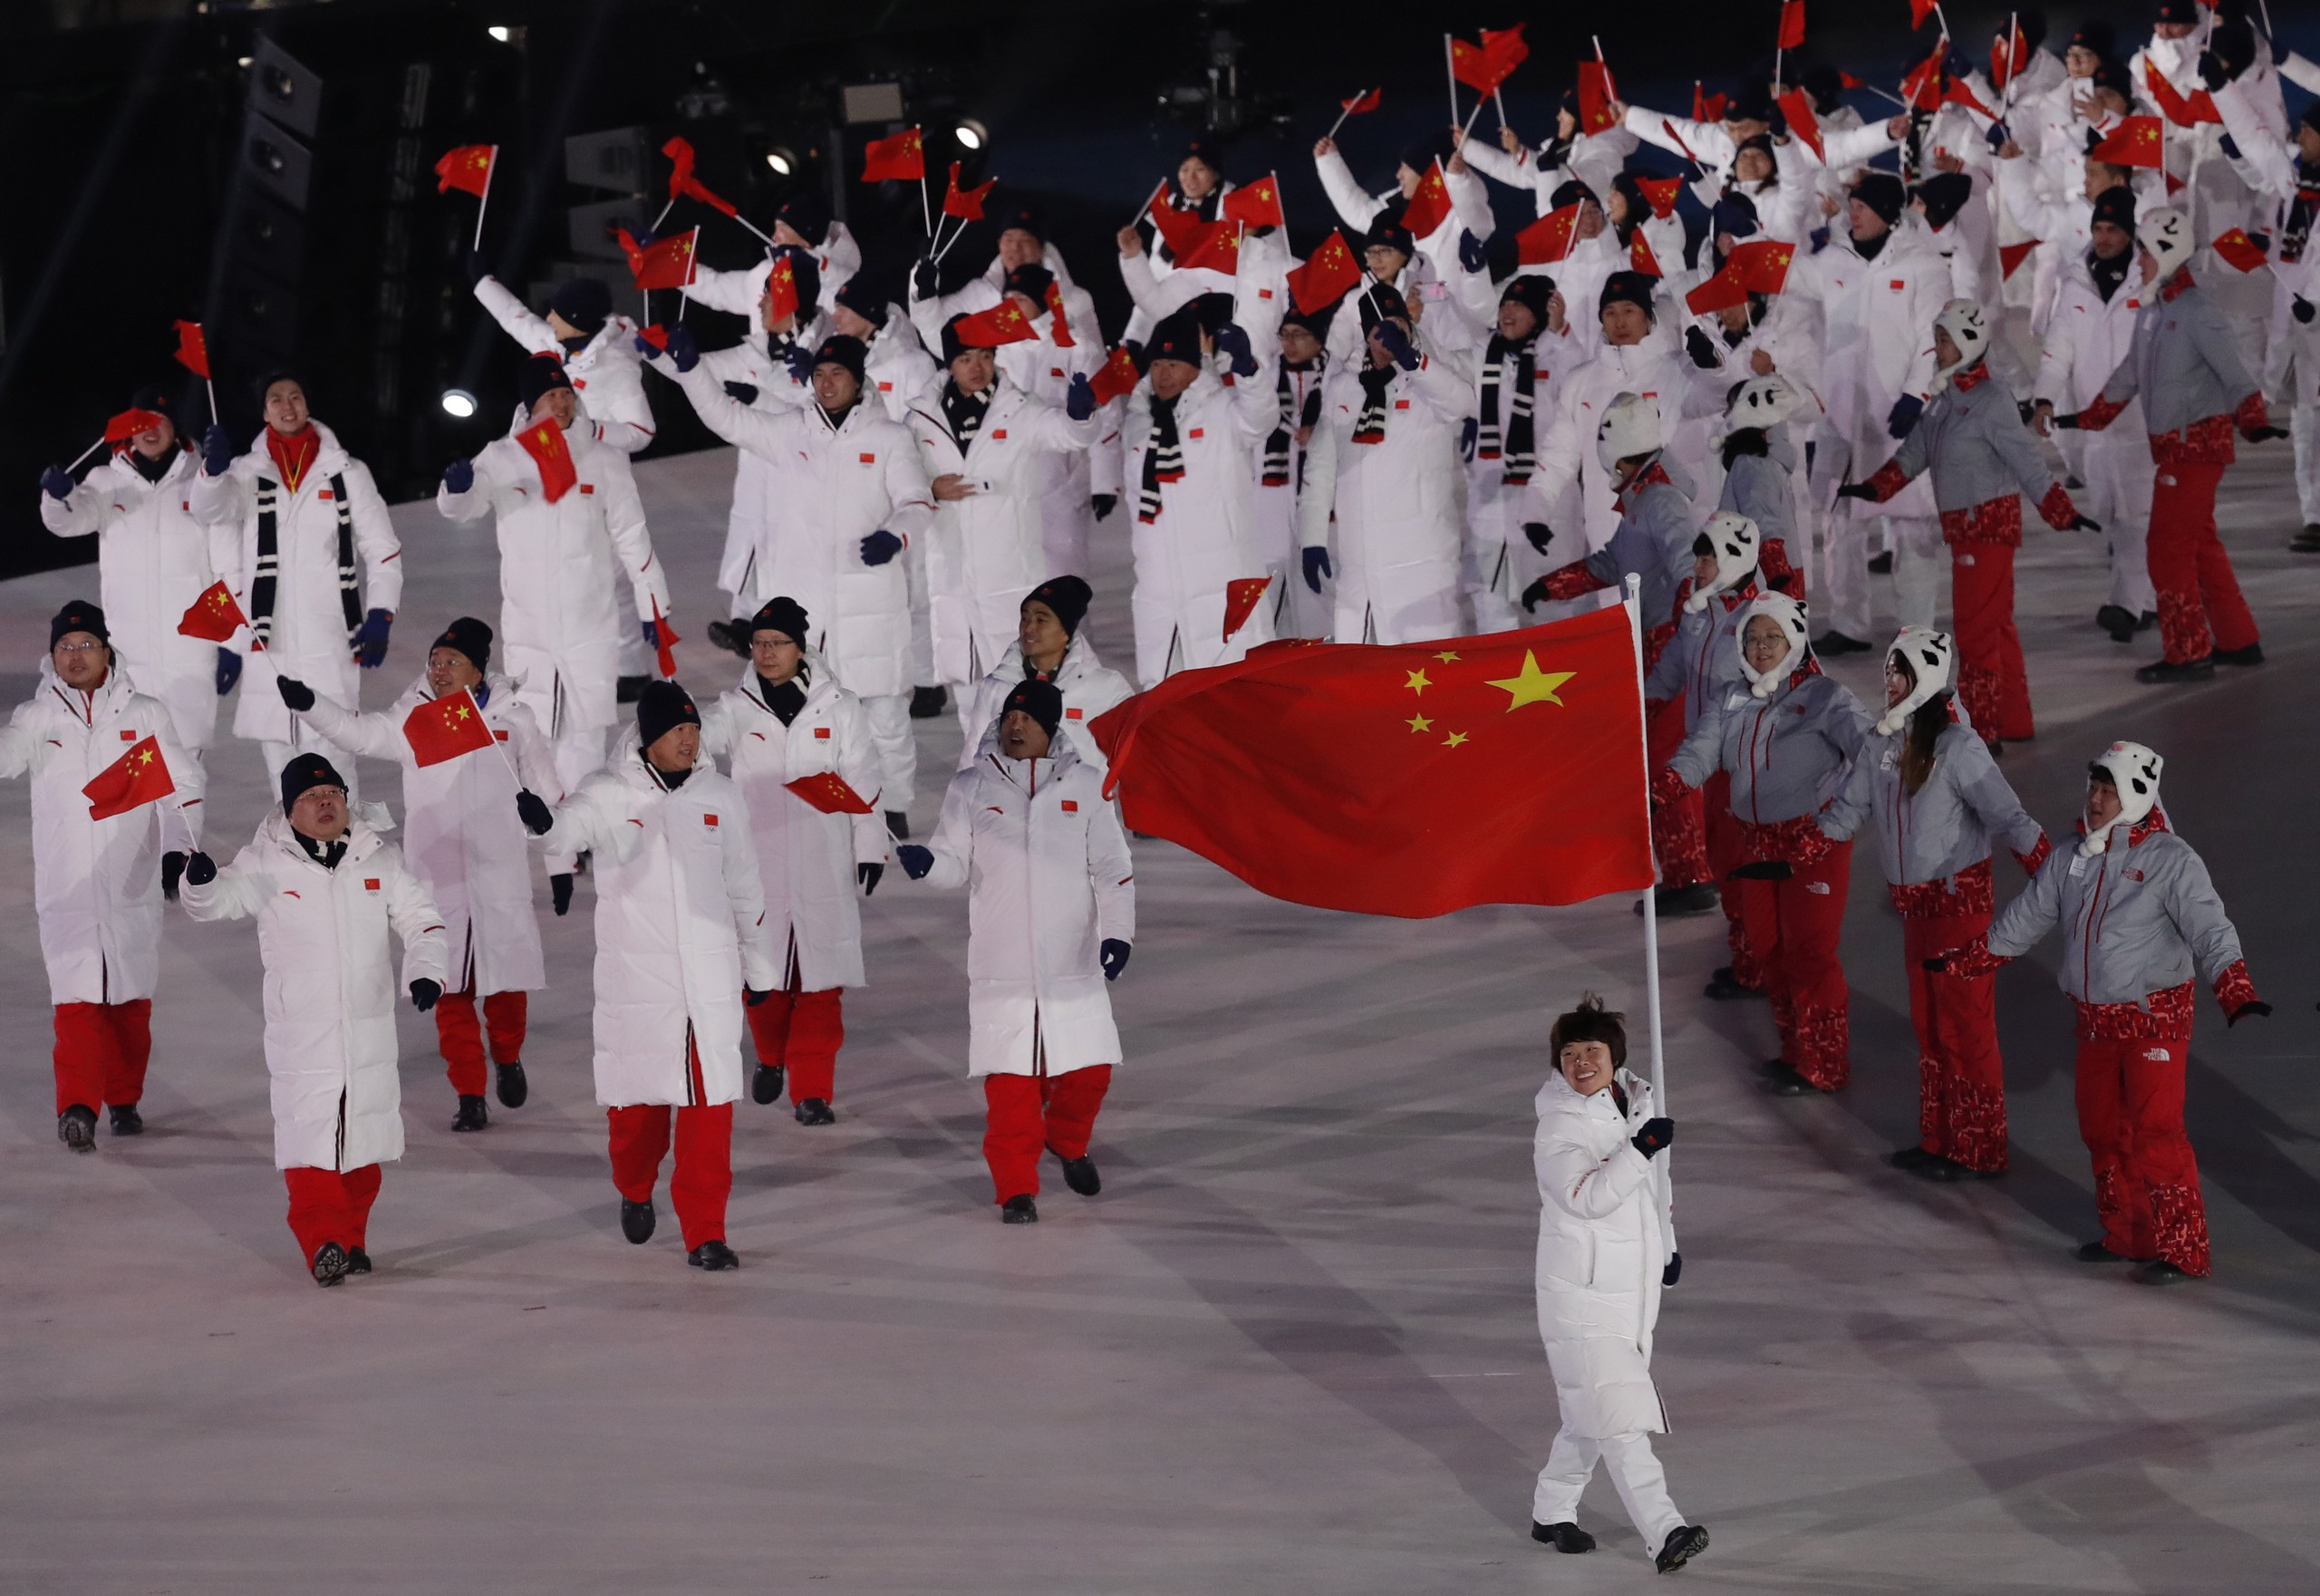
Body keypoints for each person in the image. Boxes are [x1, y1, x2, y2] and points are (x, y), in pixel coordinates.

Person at [1929, 742, 2269, 1282]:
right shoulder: (2072, 856)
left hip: (2154, 1018)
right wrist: (1970, 960)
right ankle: (2130, 1236)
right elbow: (2026, 917)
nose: (2096, 798)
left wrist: (2234, 985)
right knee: (2103, 1129)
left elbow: (2211, 929)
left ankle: (2183, 1250)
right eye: (2093, 787)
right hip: (2096, 1021)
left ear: (2136, 795)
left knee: (2156, 1130)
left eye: (2110, 790)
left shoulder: (2169, 859)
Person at [521, 682, 779, 1271]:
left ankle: (706, 1231)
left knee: (709, 1117)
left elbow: (746, 887)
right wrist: (543, 825)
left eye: (693, 728)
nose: (690, 738)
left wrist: (759, 968)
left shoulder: (720, 795)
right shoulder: (610, 793)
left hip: (708, 985)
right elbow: (568, 828)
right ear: (649, 737)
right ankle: (634, 1186)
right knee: (637, 1119)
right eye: (677, 730)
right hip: (638, 986)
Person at [273, 617, 559, 1133]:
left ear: (479, 669)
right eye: (435, 660)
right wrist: (310, 704)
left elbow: (549, 793)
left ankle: (508, 1056)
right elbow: (359, 733)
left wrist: (552, 843)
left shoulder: (515, 720)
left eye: (452, 662)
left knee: (505, 992)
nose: (439, 669)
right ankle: (470, 1094)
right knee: (450, 995)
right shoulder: (415, 718)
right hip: (439, 880)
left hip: (499, 880)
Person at [649, 328, 936, 838]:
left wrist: (895, 536)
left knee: (886, 714)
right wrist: (693, 374)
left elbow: (916, 500)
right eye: (820, 374)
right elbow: (725, 416)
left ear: (858, 380)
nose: (827, 384)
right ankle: (808, 803)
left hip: (868, 601)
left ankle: (892, 806)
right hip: (802, 611)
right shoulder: (789, 431)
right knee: (799, 716)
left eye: (838, 375)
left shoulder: (889, 438)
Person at [180, 753, 447, 1286]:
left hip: (367, 1033)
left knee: (362, 1150)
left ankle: (351, 1239)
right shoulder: (266, 862)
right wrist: (199, 883)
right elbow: (216, 902)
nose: (324, 804)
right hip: (302, 1036)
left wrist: (426, 972)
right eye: (310, 798)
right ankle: (324, 1242)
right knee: (310, 1148)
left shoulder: (378, 858)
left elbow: (424, 920)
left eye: (333, 795)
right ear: (288, 809)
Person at [895, 679, 1135, 1224]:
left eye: (1027, 719)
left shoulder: (1089, 788)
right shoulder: (971, 787)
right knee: (1011, 1090)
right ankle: (1016, 1189)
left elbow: (1115, 872)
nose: (1015, 726)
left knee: (1087, 1075)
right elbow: (953, 861)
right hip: (1002, 968)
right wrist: (929, 865)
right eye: (1009, 717)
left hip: (1072, 963)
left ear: (1051, 728)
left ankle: (1068, 1143)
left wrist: (1117, 934)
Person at [1826, 630, 2049, 1179]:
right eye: (1887, 672)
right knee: (1930, 1026)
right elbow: (1849, 807)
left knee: (1964, 1028)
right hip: (1917, 910)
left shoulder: (1957, 747)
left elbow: (2009, 818)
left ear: (1926, 678)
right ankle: (1941, 1140)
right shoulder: (1884, 743)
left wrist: (2056, 874)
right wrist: (1802, 848)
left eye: (1900, 674)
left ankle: (1979, 1147)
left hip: (1957, 908)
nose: (1889, 683)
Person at [1841, 300, 2095, 750]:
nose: (1936, 349)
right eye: (1937, 339)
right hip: (1968, 528)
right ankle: (2013, 719)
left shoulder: (1990, 400)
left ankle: (1980, 732)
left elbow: (2028, 462)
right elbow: (1913, 455)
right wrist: (1874, 488)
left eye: (1945, 340)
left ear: (1968, 343)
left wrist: (2061, 511)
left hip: (1986, 528)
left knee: (1976, 631)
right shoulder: (1944, 400)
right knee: (1997, 627)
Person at [0, 601, 205, 1150]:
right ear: (52, 658)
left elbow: (182, 787)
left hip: (128, 887)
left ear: (107, 651)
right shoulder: (37, 719)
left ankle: (124, 1099)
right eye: (64, 648)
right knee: (76, 1005)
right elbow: (6, 755)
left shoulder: (146, 716)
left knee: (129, 1010)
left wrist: (179, 851)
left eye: (85, 644)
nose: (75, 656)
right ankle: (77, 1108)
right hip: (67, 892)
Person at [1654, 595, 1873, 1095]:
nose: (1760, 648)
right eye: (1751, 638)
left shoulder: (1825, 697)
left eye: (1771, 638)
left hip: (1813, 843)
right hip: (1755, 845)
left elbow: (1872, 756)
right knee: (1770, 949)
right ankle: (1795, 1052)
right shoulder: (1731, 698)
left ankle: (1824, 1063)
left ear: (1794, 641)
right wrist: (1661, 791)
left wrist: (1838, 820)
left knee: (1810, 952)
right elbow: (1699, 751)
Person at [2054, 206, 2285, 682]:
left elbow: (2235, 373)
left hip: (2196, 446)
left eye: (2146, 253)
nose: (2139, 262)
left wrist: (2254, 419)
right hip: (2173, 447)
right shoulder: (2154, 310)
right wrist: (2086, 416)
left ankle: (2188, 652)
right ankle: (2239, 640)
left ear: (2168, 251)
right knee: (2199, 545)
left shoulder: (2198, 310)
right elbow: (2128, 375)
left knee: (2166, 549)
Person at [1528, 996, 1707, 1575]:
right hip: (1581, 1299)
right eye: (1570, 1054)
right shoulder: (1559, 1127)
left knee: (1590, 1413)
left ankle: (1552, 1510)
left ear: (1614, 1057)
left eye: (1593, 1051)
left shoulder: (1635, 1107)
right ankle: (1666, 1532)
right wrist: (1641, 1149)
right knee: (1621, 1421)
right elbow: (1586, 1198)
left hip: (1629, 1295)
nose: (1581, 1063)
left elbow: (1655, 1195)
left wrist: (1667, 1251)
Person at [439, 354, 670, 797]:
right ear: (530, 405)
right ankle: (554, 835)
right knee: (536, 732)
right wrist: (457, 489)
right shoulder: (505, 456)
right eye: (550, 396)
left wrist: (653, 605)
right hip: (530, 626)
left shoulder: (604, 460)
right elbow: (465, 509)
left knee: (586, 734)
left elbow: (632, 535)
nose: (561, 404)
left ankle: (581, 829)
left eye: (566, 394)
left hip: (589, 624)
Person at [698, 599, 888, 1126]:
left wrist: (870, 846)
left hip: (822, 867)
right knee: (763, 981)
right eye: (759, 644)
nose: (767, 654)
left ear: (801, 649)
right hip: (757, 868)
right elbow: (697, 743)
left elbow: (864, 779)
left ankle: (812, 1092)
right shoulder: (735, 707)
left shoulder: (840, 708)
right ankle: (769, 1057)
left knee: (821, 986)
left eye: (778, 644)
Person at [1526, 393, 1716, 915]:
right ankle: (1689, 871)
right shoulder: (1643, 502)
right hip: (1658, 643)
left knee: (1663, 764)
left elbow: (1689, 572)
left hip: (1670, 647)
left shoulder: (1659, 502)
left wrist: (1680, 644)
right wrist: (1551, 585)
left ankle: (1691, 876)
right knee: (1660, 761)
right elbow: (1614, 563)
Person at [188, 372, 401, 787]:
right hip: (271, 649)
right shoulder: (246, 472)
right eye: (276, 399)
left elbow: (383, 548)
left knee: (337, 768)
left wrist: (381, 614)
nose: (288, 407)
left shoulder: (346, 471)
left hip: (330, 641)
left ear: (307, 403)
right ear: (264, 411)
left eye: (295, 397)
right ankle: (290, 853)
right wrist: (211, 474)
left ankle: (350, 851)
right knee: (283, 774)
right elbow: (210, 511)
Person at [902, 315, 1099, 726]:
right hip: (952, 579)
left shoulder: (1019, 409)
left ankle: (1025, 779)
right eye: (967, 358)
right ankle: (979, 781)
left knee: (1020, 692)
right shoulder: (920, 420)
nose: (978, 367)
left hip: (1008, 577)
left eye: (987, 356)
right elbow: (899, 481)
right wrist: (930, 489)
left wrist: (1081, 417)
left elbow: (1066, 434)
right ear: (949, 364)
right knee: (968, 693)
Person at [1790, 173, 1956, 653]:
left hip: (1897, 418)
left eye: (1861, 206)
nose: (1852, 214)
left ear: (1888, 212)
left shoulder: (1922, 264)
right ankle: (1848, 623)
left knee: (1911, 526)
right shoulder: (1831, 259)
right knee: (1841, 522)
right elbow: (1783, 277)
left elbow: (1934, 333)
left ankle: (1916, 629)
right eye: (1850, 206)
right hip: (1842, 418)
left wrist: (1916, 395)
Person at [39, 389, 240, 756]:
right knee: (130, 763)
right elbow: (70, 520)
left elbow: (230, 568)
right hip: (128, 650)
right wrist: (57, 498)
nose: (150, 429)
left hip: (190, 651)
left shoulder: (203, 482)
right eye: (141, 422)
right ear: (129, 431)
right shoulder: (106, 481)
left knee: (184, 764)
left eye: (159, 421)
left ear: (175, 428)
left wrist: (233, 642)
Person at [1298, 283, 1470, 645]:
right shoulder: (1344, 387)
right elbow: (1320, 468)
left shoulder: (1433, 374)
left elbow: (1464, 405)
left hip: (1423, 563)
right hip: (1359, 569)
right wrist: (1312, 540)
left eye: (1400, 324)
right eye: (1382, 328)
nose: (1393, 334)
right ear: (1366, 334)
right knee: (1361, 682)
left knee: (1428, 682)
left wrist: (1415, 363)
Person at [1647, 514, 1774, 1000]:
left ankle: (1760, 968)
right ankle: (1748, 964)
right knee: (1726, 865)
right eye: (1699, 556)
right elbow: (1673, 666)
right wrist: (1639, 698)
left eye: (1707, 557)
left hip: (1749, 770)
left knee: (1745, 873)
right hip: (1715, 767)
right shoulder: (1701, 610)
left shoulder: (1762, 622)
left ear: (1734, 561)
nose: (1696, 566)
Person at [2028, 187, 2160, 641]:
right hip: (2092, 423)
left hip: (2141, 421)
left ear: (2130, 232)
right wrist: (2044, 397)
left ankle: (2128, 605)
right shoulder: (2075, 281)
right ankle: (2151, 600)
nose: (2102, 238)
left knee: (2135, 517)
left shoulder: (2149, 280)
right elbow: (2058, 349)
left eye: (2112, 230)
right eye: (2098, 229)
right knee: (2112, 514)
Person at [1121, 309, 1279, 682]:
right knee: (1165, 708)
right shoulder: (1138, 423)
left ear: (1196, 367)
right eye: (1157, 364)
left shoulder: (1223, 410)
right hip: (1161, 598)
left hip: (1222, 588)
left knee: (1236, 700)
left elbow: (1262, 417)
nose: (1163, 375)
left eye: (1174, 364)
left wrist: (1248, 370)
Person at [956, 578, 1134, 774]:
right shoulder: (997, 686)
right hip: (1012, 803)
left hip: (1082, 802)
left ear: (1066, 632)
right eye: (1025, 619)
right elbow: (973, 758)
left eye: (1041, 620)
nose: (1029, 628)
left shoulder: (1106, 688)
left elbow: (1138, 755)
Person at [1465, 276, 1558, 634]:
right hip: (1491, 509)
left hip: (1544, 509)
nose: (1507, 312)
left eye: (1518, 305)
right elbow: (1441, 366)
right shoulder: (1482, 355)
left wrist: (1562, 333)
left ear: (1537, 314)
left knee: (1551, 609)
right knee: (1492, 613)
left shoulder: (1557, 354)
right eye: (1504, 304)